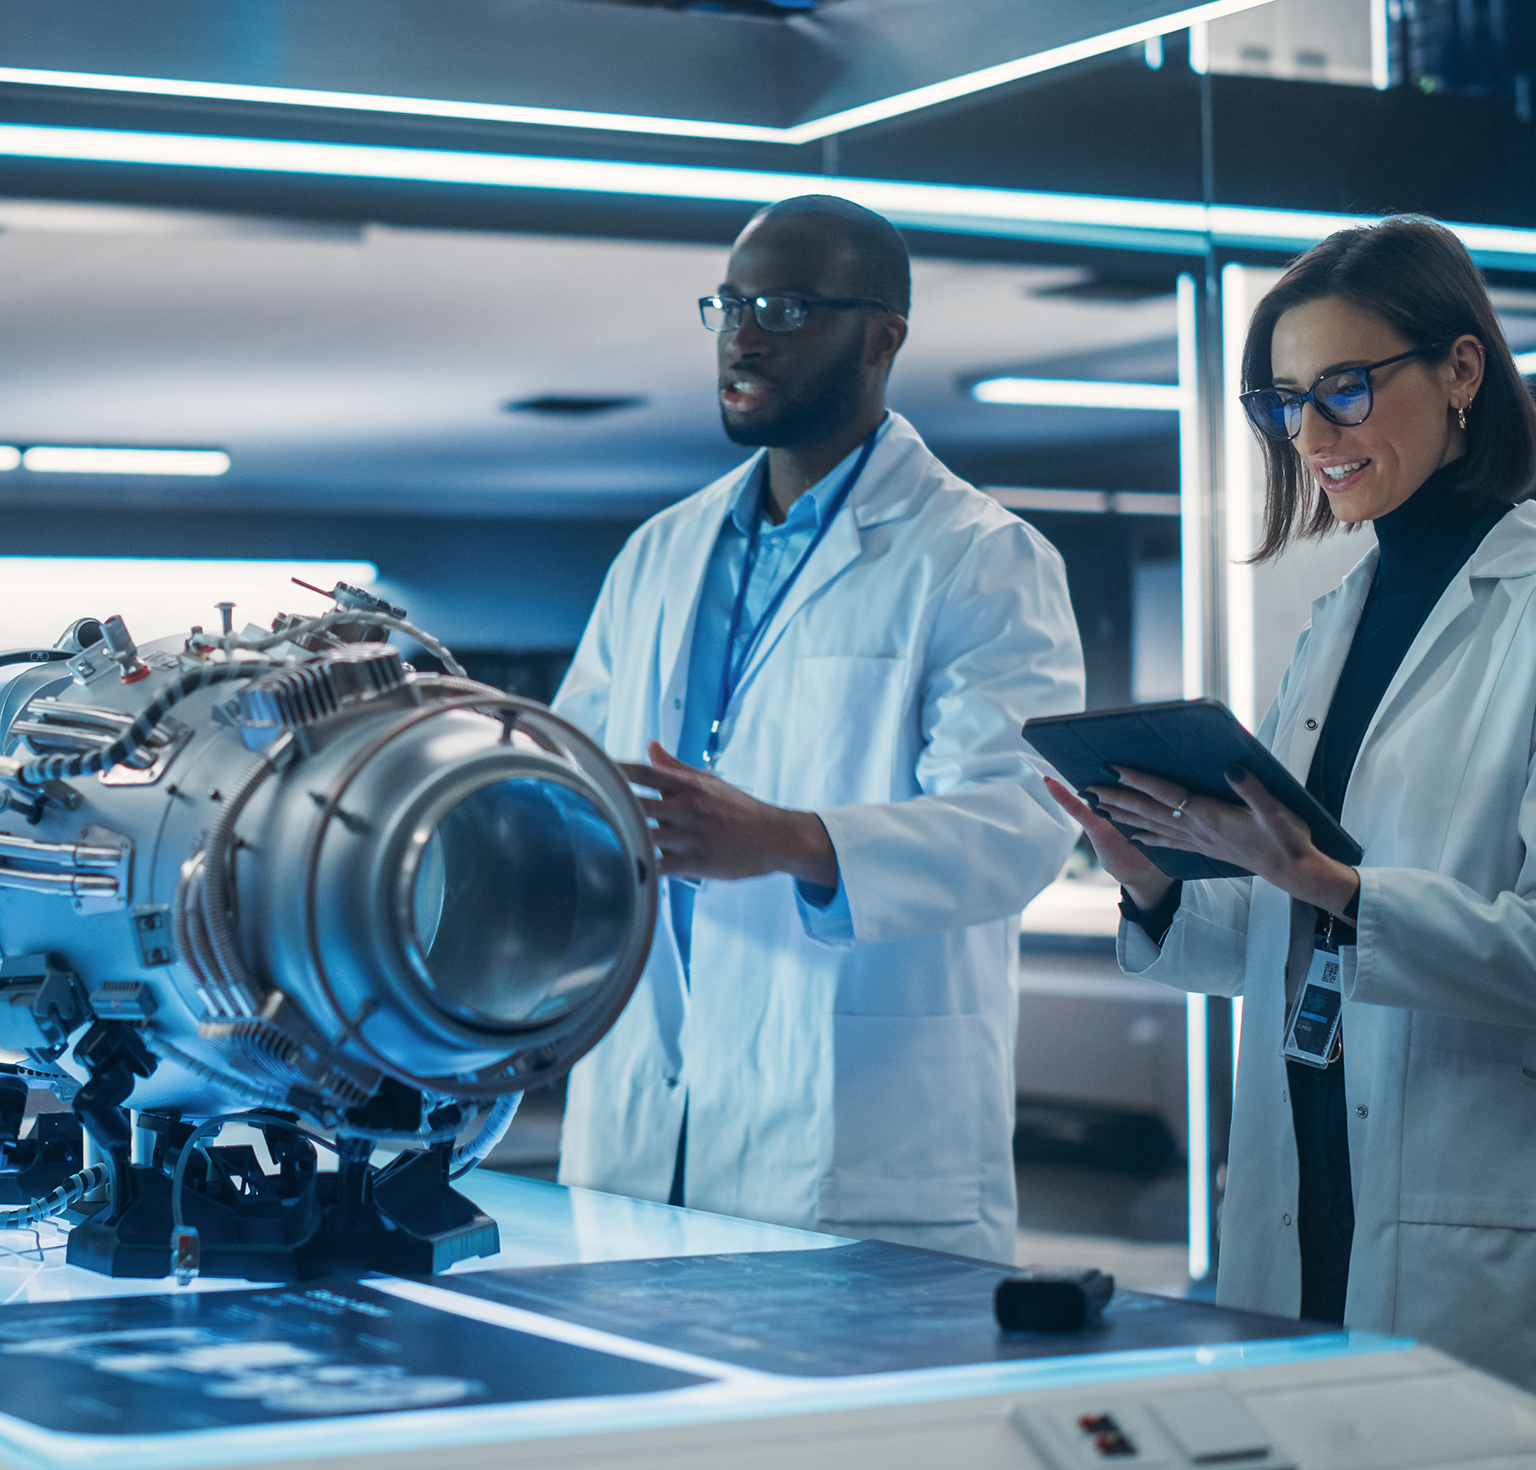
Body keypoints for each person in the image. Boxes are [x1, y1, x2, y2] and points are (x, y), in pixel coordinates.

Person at [1048, 215, 1536, 1387]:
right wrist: (1159, 874)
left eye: (1347, 389)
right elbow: (1289, 935)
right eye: (1283, 403)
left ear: (1461, 370)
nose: (1311, 434)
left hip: (1464, 1214)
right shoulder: (1335, 623)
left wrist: (1331, 885)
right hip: (1306, 1191)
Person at [553, 195, 1085, 1264]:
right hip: (644, 1125)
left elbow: (1022, 822)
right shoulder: (663, 551)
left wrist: (796, 842)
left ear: (884, 335)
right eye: (733, 304)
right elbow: (569, 773)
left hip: (856, 1137)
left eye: (789, 308)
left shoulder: (980, 556)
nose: (745, 336)